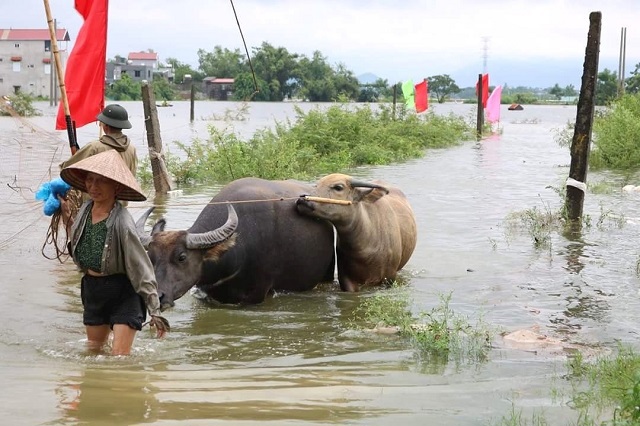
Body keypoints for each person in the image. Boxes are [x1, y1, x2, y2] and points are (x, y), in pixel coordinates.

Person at [58, 149, 169, 355]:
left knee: (119, 358)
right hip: (93, 290)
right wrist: (65, 215)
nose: (93, 186)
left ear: (116, 186)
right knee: (94, 353)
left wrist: (154, 310)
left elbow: (141, 267)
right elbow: (80, 243)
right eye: (90, 180)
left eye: (101, 181)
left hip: (124, 292)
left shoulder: (123, 223)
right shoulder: (84, 210)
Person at [60, 104, 137, 177]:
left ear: (106, 125)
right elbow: (132, 174)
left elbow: (67, 168)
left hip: (97, 190)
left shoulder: (94, 147)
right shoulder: (131, 149)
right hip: (122, 190)